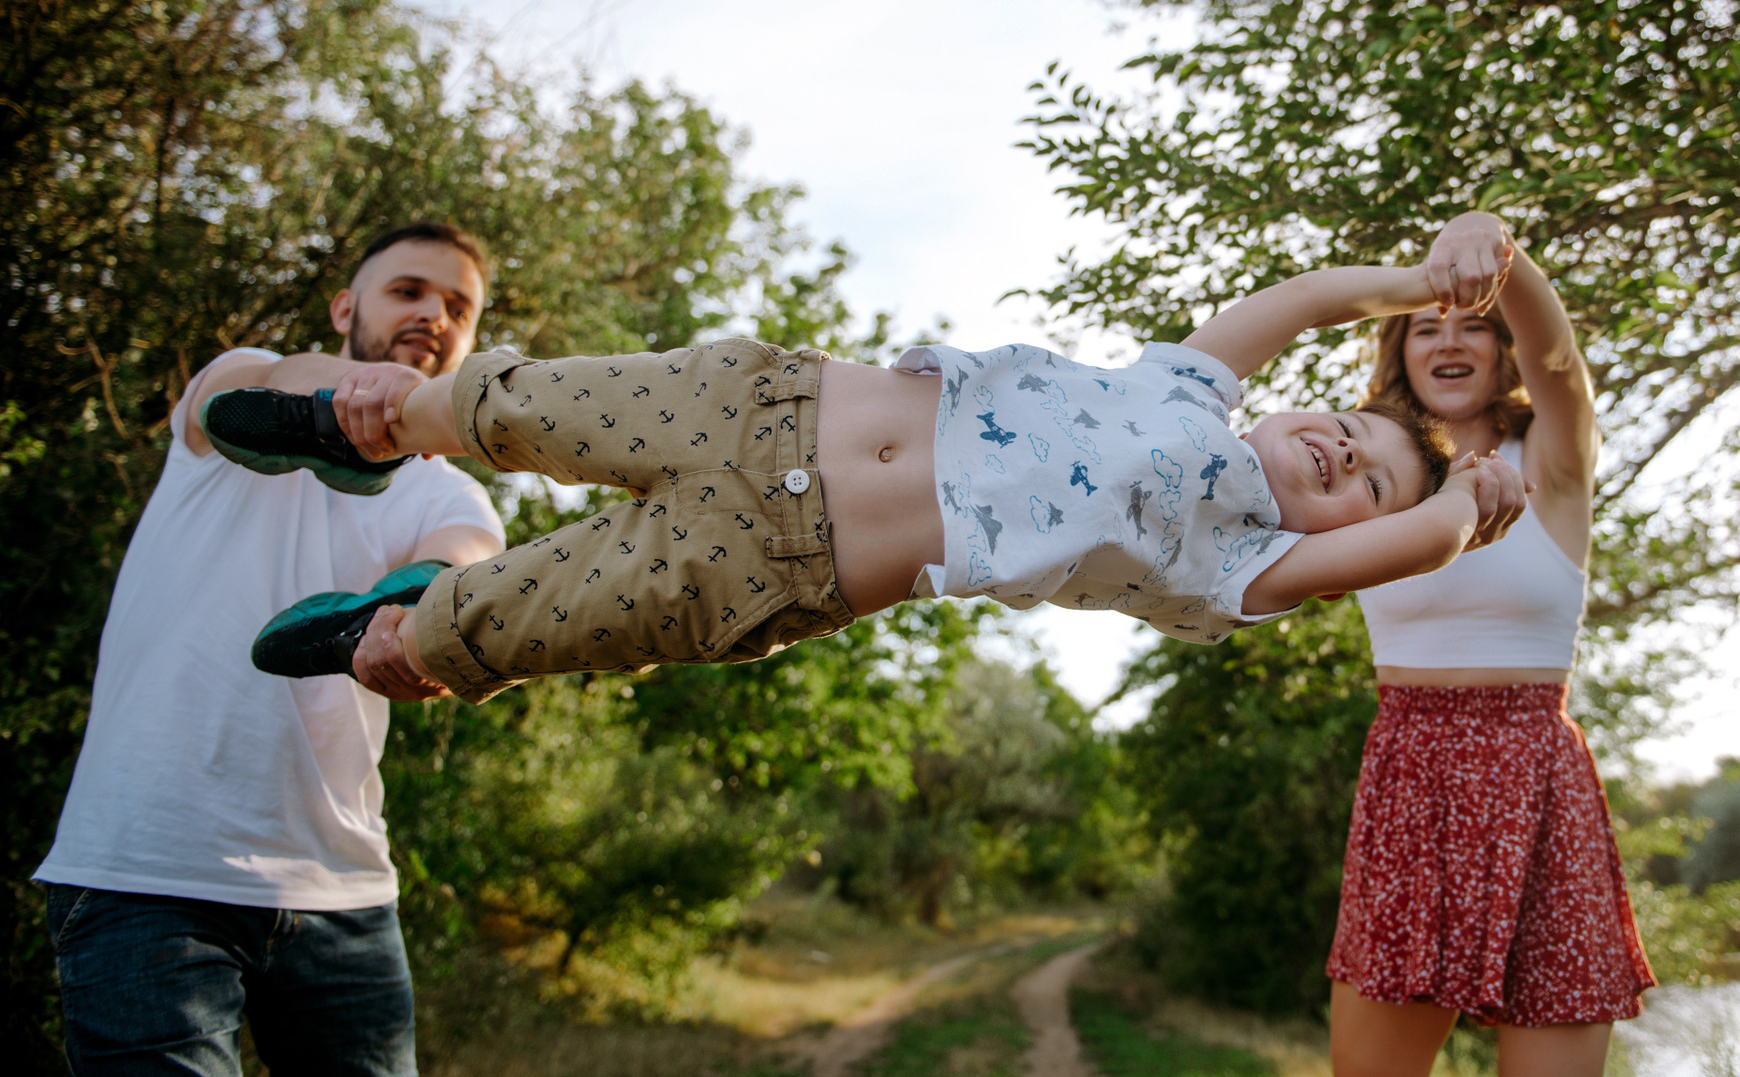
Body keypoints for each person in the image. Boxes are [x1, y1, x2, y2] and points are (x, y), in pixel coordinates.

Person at [206, 262, 1529, 705]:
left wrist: (1463, 502)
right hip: (759, 399)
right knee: (523, 400)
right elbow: (1304, 298)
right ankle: (372, 421)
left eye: (1368, 485)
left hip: (764, 565)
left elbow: (1410, 544)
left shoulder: (1242, 572)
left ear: (1351, 536)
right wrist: (1426, 285)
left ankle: (412, 622)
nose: (1346, 453)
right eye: (1350, 427)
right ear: (1298, 403)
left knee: (532, 619)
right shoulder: (1190, 388)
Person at [35, 224, 506, 1077]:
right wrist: (364, 402)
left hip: (341, 882)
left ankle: (381, 608)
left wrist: (412, 625)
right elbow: (264, 386)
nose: (433, 315)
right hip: (147, 871)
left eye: (458, 307)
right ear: (345, 308)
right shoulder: (239, 387)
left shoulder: (451, 493)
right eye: (408, 291)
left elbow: (465, 555)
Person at [1326, 213, 1656, 1077]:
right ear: (1398, 353)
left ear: (1501, 347)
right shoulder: (1370, 482)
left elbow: (1560, 363)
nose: (1450, 339)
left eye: (1473, 323)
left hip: (1540, 781)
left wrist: (1496, 248)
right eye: (1426, 325)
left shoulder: (1552, 462)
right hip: (1411, 782)